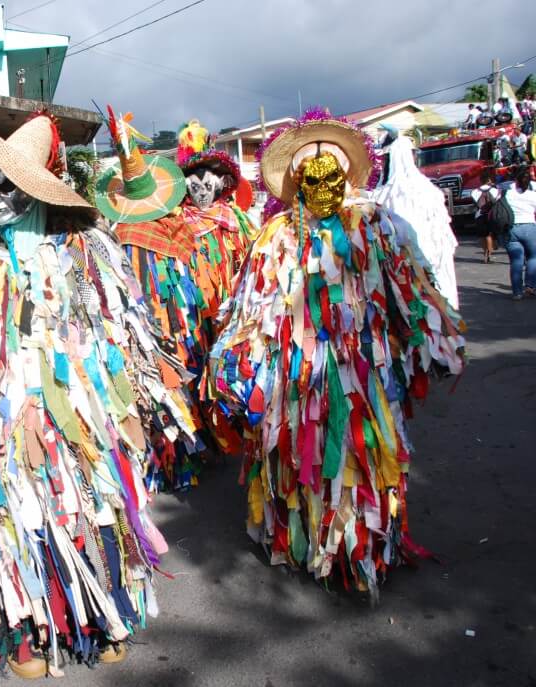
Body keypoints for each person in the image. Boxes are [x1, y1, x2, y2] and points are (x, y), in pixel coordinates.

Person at [0, 114, 197, 678]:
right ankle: (23, 629)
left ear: (38, 188)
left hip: (73, 410)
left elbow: (118, 336)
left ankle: (99, 616)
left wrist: (110, 401)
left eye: (9, 185)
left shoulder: (85, 252)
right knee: (7, 515)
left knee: (86, 505)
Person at [208, 109, 466, 601]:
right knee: (295, 456)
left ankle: (361, 550)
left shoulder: (377, 226)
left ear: (347, 173)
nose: (323, 180)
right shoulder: (277, 236)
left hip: (361, 373)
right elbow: (250, 308)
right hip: (293, 375)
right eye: (311, 172)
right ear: (296, 181)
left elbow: (410, 289)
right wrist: (234, 358)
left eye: (331, 171)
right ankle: (310, 547)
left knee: (360, 457)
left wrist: (437, 335)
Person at [99, 113, 257, 490]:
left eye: (209, 184)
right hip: (177, 320)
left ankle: (189, 451)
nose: (201, 190)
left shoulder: (226, 222)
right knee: (174, 382)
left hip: (206, 315)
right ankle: (181, 457)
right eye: (194, 184)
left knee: (178, 384)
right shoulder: (175, 225)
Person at [373, 134, 460, 309]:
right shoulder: (427, 189)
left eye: (384, 159)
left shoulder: (395, 194)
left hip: (412, 271)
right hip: (423, 268)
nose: (382, 163)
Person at [503, 165, 536, 299]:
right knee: (533, 256)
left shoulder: (507, 193)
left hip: (511, 228)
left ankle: (517, 292)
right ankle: (530, 285)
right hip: (529, 227)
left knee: (516, 261)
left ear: (515, 179)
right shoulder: (532, 195)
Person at [472, 169, 501, 262]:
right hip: (491, 215)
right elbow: (498, 201)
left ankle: (485, 253)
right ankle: (489, 254)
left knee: (482, 236)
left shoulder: (474, 192)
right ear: (489, 180)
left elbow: (475, 203)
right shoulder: (495, 190)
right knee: (489, 235)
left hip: (479, 215)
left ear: (480, 180)